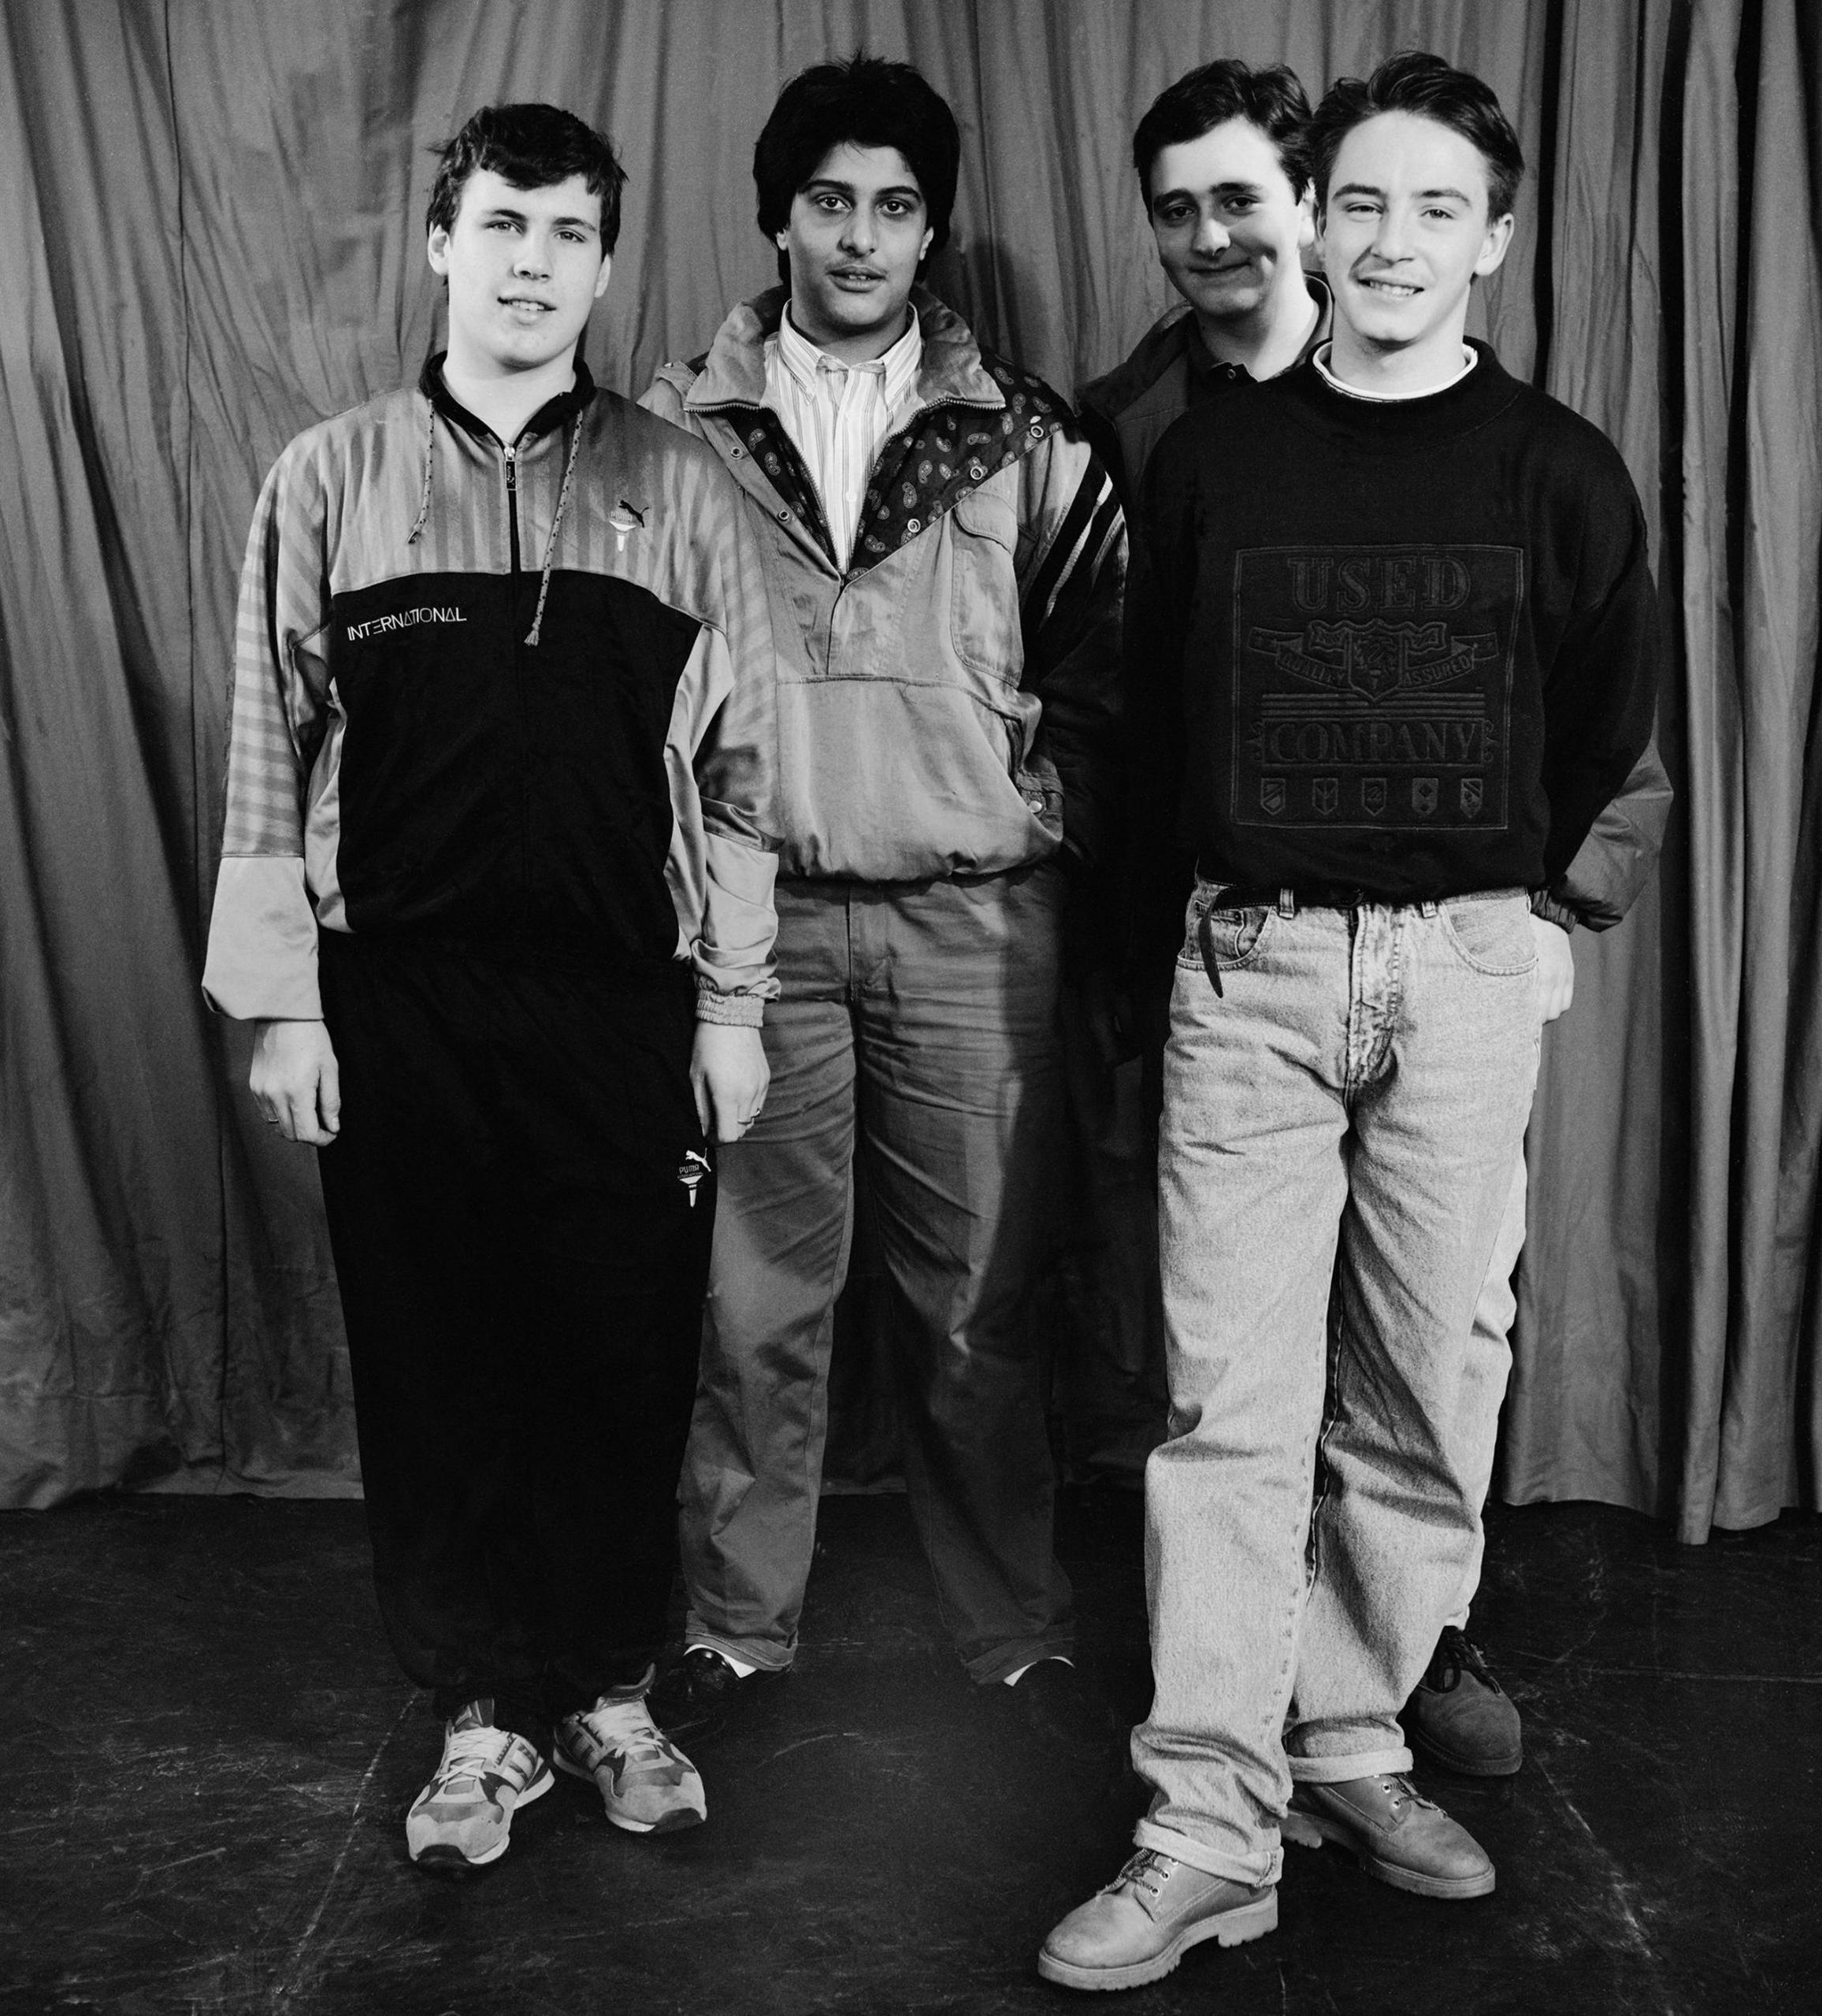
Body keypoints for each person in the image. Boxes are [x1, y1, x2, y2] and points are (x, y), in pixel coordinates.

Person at [1041, 52, 1662, 1988]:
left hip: (1465, 970)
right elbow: (1148, 745)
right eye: (1360, 205)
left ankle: (1352, 1737)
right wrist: (1154, 978)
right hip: (1250, 970)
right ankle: (1205, 1823)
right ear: (1319, 221)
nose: (1388, 242)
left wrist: (1495, 911)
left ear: (1490, 238)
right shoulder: (1213, 455)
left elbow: (1600, 723)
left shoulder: (1557, 466)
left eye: (1431, 211)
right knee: (1230, 1411)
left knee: (1427, 1381)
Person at [200, 103, 781, 1874]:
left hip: (622, 1003)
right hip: (398, 1004)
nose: (532, 264)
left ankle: (606, 1684)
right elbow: (260, 754)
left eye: (567, 236)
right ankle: (477, 1715)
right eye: (503, 226)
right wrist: (284, 1006)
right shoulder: (331, 477)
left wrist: (733, 1006)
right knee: (438, 1355)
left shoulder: (679, 487)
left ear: (605, 266)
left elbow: (746, 773)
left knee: (617, 1351)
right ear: (442, 243)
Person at [640, 55, 1125, 1737]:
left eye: (895, 206)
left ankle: (1010, 1622)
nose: (859, 236)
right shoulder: (671, 430)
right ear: (776, 214)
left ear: (932, 231)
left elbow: (1102, 669)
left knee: (979, 1301)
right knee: (752, 1300)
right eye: (829, 200)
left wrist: (1019, 800)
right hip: (754, 933)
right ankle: (736, 1624)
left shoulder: (1029, 432)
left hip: (974, 925)